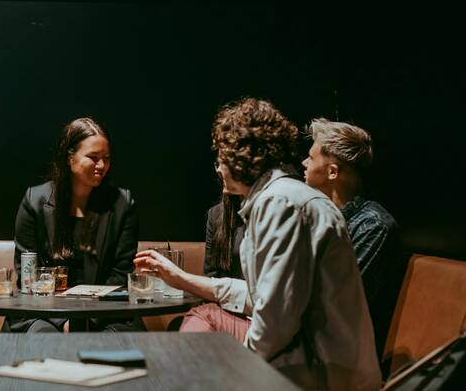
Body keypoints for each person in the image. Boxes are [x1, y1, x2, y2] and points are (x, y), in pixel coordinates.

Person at [135, 98, 381, 390]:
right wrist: (180, 278)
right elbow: (264, 296)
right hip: (306, 363)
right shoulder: (277, 197)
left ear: (242, 156)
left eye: (222, 156)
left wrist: (230, 374)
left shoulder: (280, 203)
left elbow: (274, 327)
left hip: (321, 374)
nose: (218, 168)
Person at [11, 117, 138, 333]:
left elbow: (120, 275)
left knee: (117, 343)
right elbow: (28, 274)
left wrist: (83, 321)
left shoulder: (122, 204)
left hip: (105, 313)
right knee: (43, 339)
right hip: (44, 312)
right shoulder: (35, 200)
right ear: (69, 157)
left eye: (106, 158)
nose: (101, 165)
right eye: (93, 157)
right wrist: (62, 320)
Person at [302, 118, 403, 357]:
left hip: (340, 352)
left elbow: (336, 303)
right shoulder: (319, 216)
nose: (304, 162)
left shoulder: (374, 225)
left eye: (311, 157)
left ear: (332, 172)